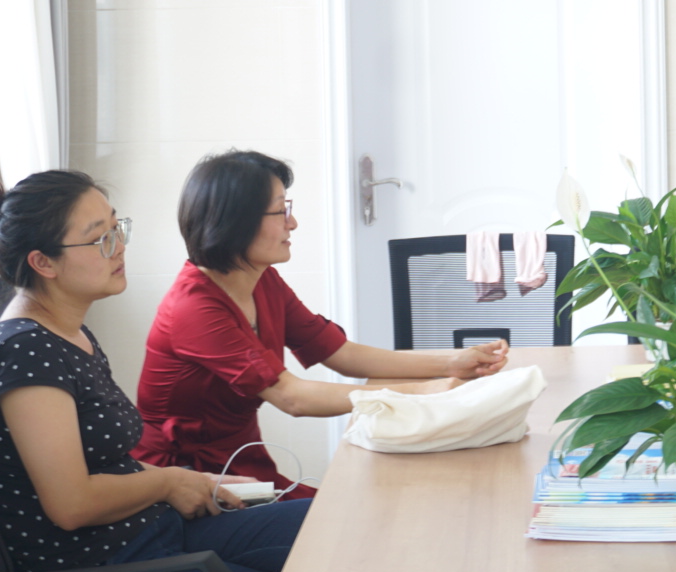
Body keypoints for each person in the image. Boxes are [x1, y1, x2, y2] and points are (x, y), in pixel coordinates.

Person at [0, 170, 310, 572]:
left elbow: (103, 462)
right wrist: (169, 480)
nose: (119, 248)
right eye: (100, 239)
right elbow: (72, 504)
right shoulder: (24, 351)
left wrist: (194, 481)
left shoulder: (69, 331)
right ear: (43, 263)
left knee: (325, 531)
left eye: (117, 229)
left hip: (151, 532)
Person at [133, 149, 508, 496]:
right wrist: (427, 393)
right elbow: (293, 397)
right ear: (236, 222)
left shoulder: (262, 280)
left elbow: (341, 354)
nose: (293, 223)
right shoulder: (194, 308)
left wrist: (451, 363)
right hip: (188, 483)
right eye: (280, 211)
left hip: (243, 466)